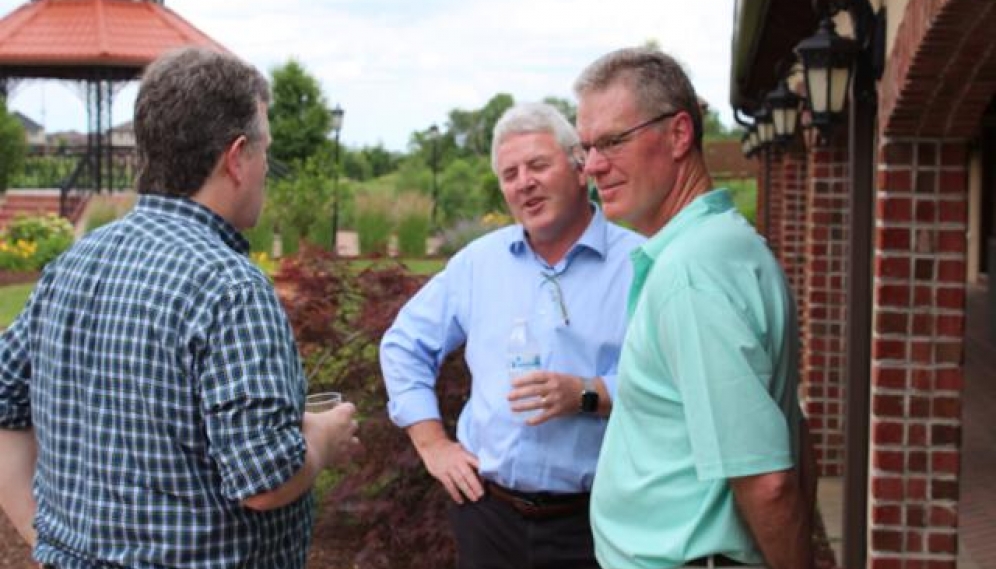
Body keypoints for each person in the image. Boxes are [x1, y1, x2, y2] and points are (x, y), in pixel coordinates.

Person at [0, 47, 358, 569]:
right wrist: (322, 438)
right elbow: (265, 482)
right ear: (236, 158)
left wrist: (44, 539)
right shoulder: (230, 285)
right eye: (265, 150)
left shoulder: (73, 264)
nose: (265, 168)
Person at [573, 47, 817, 569]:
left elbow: (768, 481)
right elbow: (794, 429)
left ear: (679, 134)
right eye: (587, 147)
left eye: (612, 141)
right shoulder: (727, 245)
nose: (593, 165)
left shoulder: (691, 272)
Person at [380, 102, 644, 569]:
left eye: (538, 165)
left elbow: (672, 382)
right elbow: (404, 345)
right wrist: (433, 445)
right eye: (510, 173)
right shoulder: (478, 264)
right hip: (488, 516)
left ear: (580, 168)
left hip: (600, 521)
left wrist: (589, 393)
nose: (524, 182)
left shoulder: (641, 265)